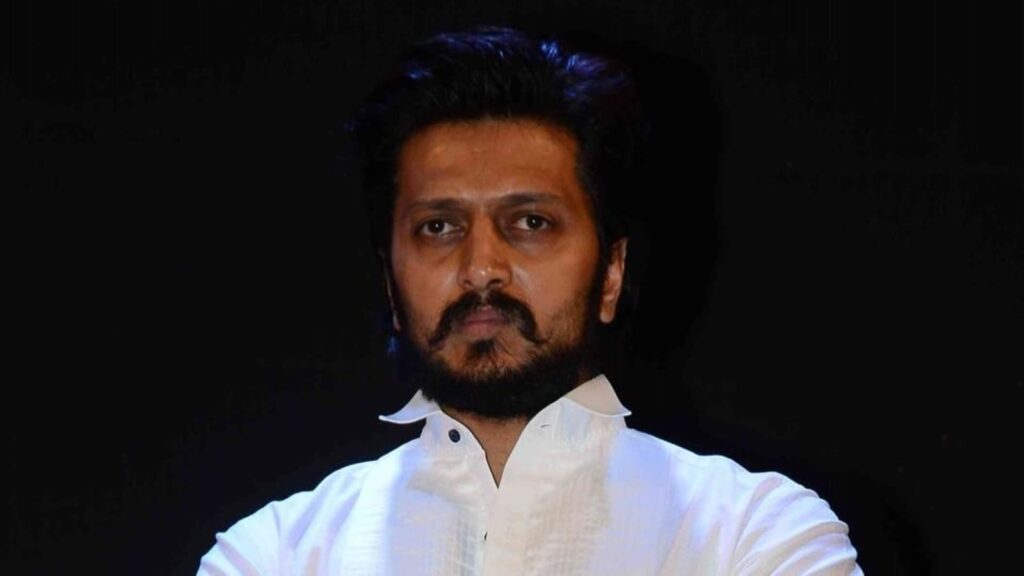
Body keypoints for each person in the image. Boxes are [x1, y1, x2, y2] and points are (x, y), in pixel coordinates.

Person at [197, 25, 862, 575]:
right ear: (390, 284)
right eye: (439, 227)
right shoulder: (274, 554)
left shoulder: (755, 535)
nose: (481, 267)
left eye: (531, 222)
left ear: (610, 273)